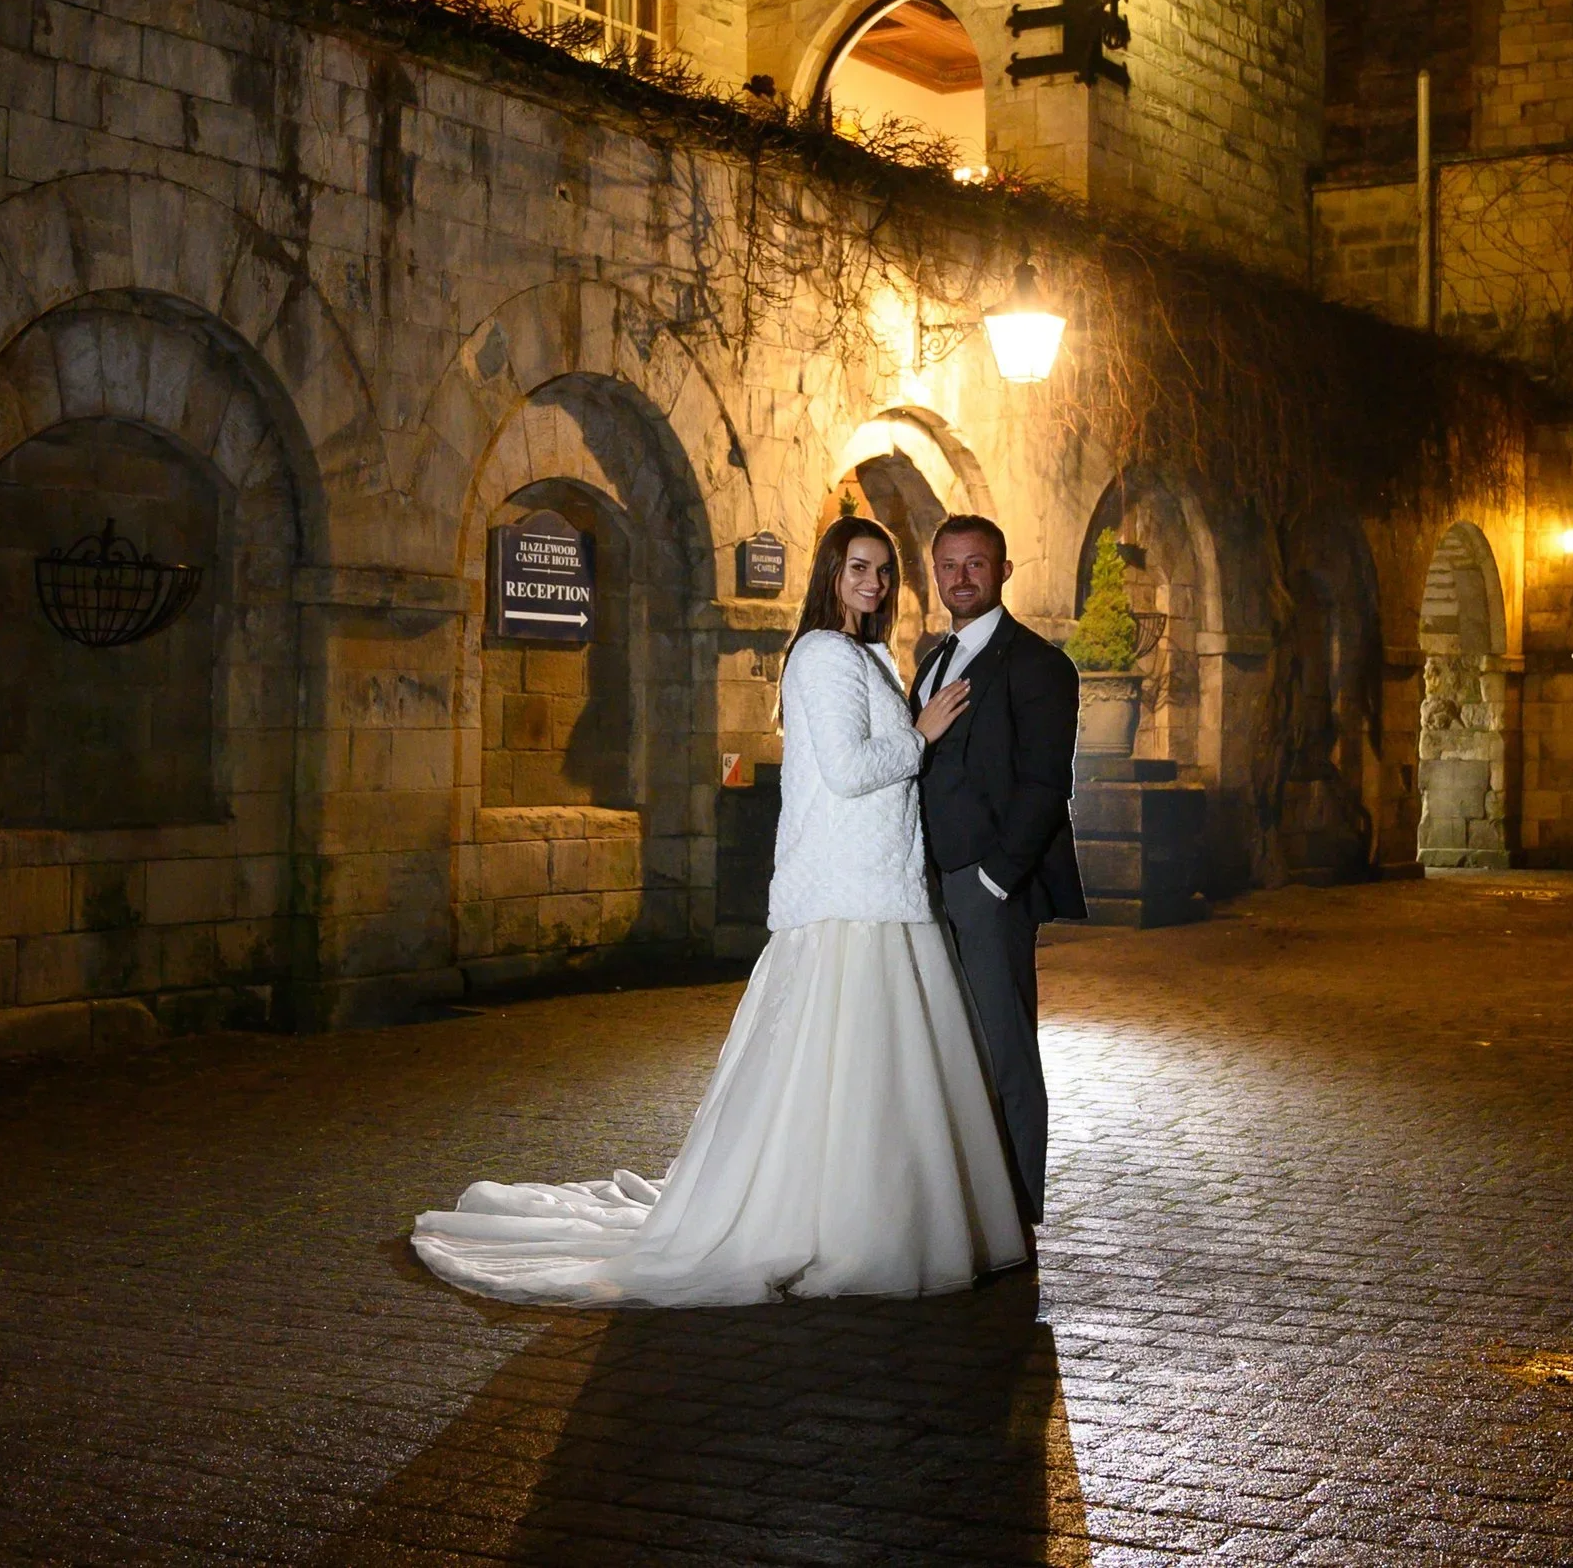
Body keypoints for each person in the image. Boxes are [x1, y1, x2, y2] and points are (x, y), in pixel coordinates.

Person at [410, 515, 1027, 1306]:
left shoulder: (864, 653)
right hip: (848, 891)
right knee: (837, 1066)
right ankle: (836, 1226)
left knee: (871, 1074)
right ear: (829, 576)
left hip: (879, 883)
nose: (872, 583)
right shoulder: (822, 654)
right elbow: (844, 770)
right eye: (857, 569)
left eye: (881, 571)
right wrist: (921, 734)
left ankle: (865, 1215)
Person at [911, 514, 1085, 1228]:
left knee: (1006, 1047)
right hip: (926, 885)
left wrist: (992, 883)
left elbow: (1045, 786)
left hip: (987, 890)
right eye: (949, 565)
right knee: (948, 1046)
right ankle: (967, 1204)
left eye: (976, 564)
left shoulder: (1040, 666)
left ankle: (1018, 1212)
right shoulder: (932, 655)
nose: (961, 578)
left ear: (1004, 571)